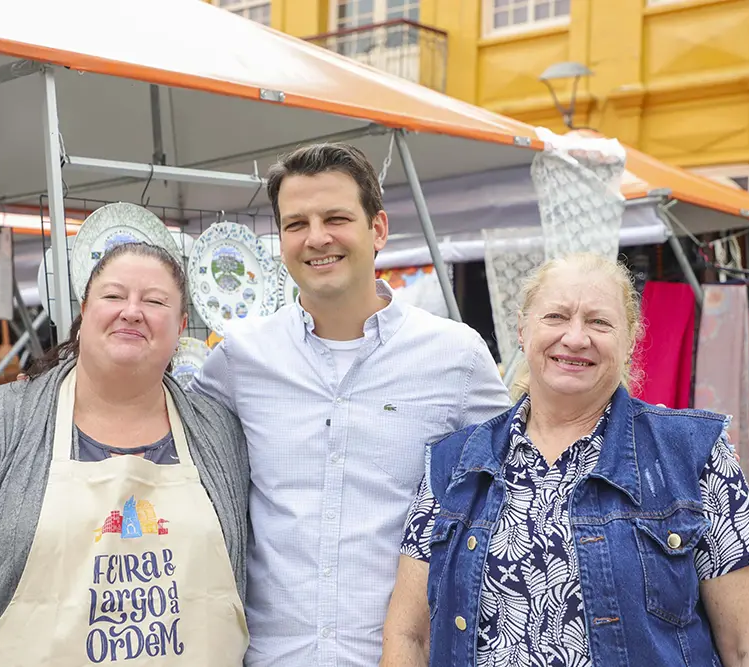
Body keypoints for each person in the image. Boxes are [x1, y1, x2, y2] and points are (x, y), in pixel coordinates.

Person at [380, 252, 749, 667]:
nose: (575, 338)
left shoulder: (692, 453)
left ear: (630, 340)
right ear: (522, 329)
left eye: (599, 322)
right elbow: (411, 636)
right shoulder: (454, 463)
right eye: (556, 317)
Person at [189, 142, 510, 667]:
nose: (317, 238)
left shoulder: (456, 357)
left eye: (336, 218)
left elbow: (514, 495)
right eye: (296, 224)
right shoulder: (239, 360)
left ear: (378, 229)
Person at [0, 243, 250, 666]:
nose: (132, 311)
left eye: (155, 301)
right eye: (114, 295)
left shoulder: (221, 435)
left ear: (180, 326)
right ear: (84, 312)